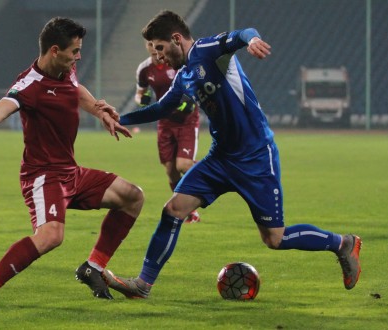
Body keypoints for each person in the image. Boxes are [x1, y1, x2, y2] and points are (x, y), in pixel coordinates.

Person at [104, 10, 361, 298]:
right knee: (173, 210)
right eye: (154, 51)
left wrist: (252, 41)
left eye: (161, 48)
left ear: (177, 39)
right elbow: (160, 109)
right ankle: (143, 284)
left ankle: (343, 244)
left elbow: (241, 33)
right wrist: (120, 119)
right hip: (220, 158)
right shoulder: (184, 75)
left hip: (255, 158)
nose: (159, 57)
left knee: (274, 238)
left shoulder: (207, 51)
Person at [0, 17, 144, 306]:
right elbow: (1, 107)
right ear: (55, 50)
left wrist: (100, 111)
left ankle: (93, 268)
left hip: (71, 171)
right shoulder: (30, 85)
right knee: (50, 236)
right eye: (74, 51)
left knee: (132, 197)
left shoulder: (66, 70)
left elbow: (76, 90)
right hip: (43, 176)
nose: (78, 57)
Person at [134, 40, 201, 223]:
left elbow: (194, 82)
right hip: (165, 123)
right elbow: (140, 92)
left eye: (155, 44)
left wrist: (191, 100)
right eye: (149, 44)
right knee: (171, 170)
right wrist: (142, 99)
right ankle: (188, 210)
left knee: (184, 165)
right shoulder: (144, 68)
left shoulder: (176, 61)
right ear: (146, 46)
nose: (153, 48)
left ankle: (210, 172)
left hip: (186, 121)